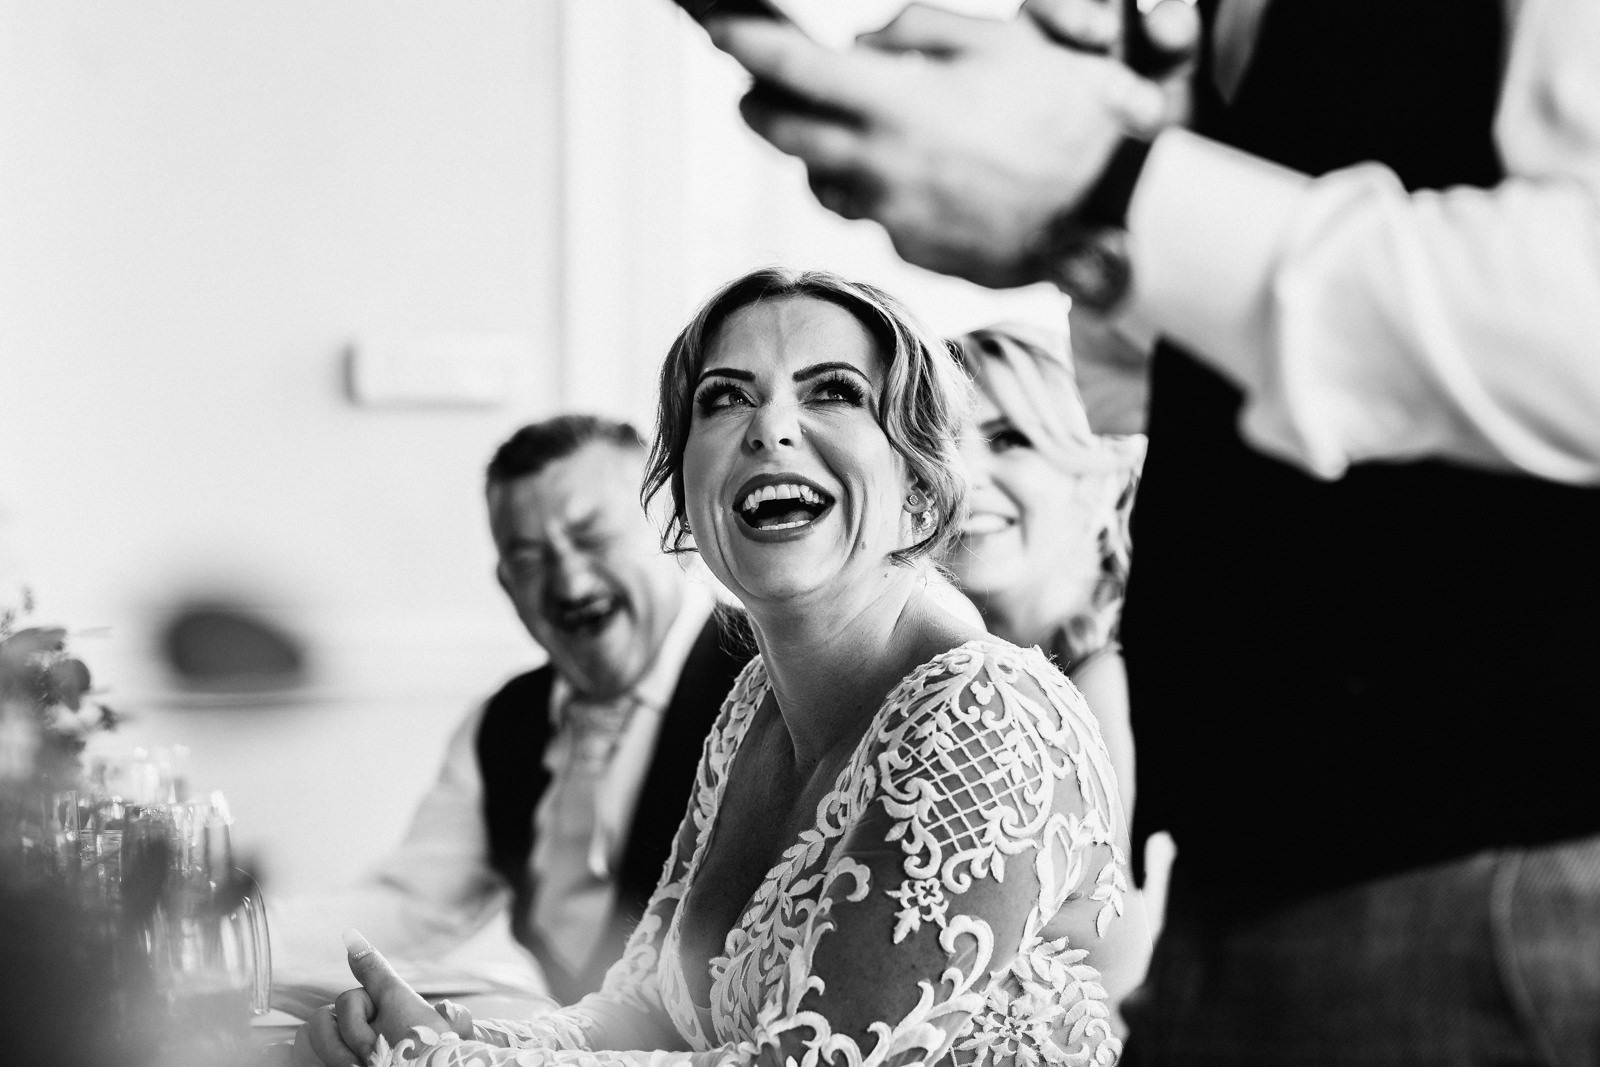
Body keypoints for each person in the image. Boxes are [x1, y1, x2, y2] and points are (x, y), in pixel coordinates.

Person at [706, 2, 1600, 1063]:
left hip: (1502, 883)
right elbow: (1157, 393)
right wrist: (1130, 163)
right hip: (1257, 887)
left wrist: (1112, 180)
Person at [291, 267, 1151, 1067]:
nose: (771, 425)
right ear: (688, 495)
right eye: (725, 398)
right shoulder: (754, 707)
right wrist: (460, 1034)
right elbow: (643, 1012)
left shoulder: (986, 717)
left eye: (835, 393)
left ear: (921, 487)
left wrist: (459, 1065)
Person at [273, 415, 749, 1005]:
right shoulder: (506, 721)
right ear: (504, 584)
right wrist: (216, 942)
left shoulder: (778, 683)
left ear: (674, 528)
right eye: (528, 559)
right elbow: (415, 905)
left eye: (593, 538)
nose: (569, 583)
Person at [946, 323, 1143, 809]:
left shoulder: (1112, 687)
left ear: (1104, 480)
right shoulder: (951, 680)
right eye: (935, 444)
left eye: (1010, 439)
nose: (961, 478)